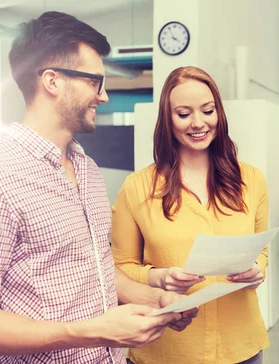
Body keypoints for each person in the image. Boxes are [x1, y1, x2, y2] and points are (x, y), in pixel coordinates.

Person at [0, 11, 196, 364]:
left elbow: (93, 268)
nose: (103, 97)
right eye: (95, 82)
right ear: (53, 81)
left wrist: (153, 299)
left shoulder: (87, 169)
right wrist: (94, 331)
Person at [111, 66, 269, 364]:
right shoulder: (137, 187)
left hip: (240, 346)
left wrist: (256, 271)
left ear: (219, 113)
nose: (198, 123)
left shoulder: (252, 180)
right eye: (183, 114)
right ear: (167, 121)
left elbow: (261, 252)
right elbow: (119, 268)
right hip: (167, 349)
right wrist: (157, 277)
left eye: (207, 111)